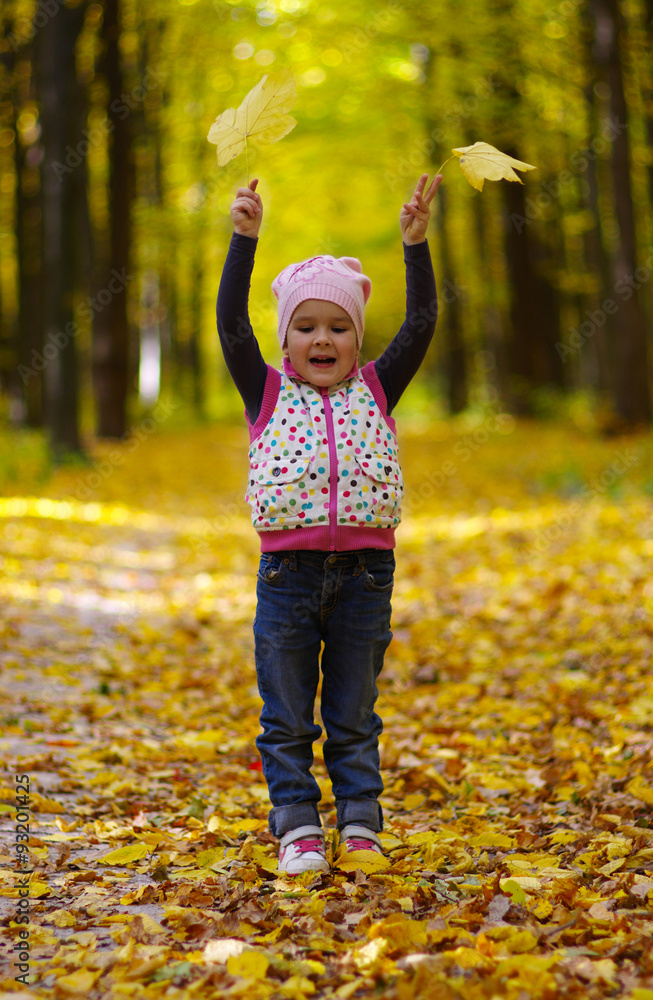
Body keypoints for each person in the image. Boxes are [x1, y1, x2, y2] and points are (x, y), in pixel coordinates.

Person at [217, 173, 442, 874]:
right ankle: (295, 826)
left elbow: (421, 324)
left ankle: (360, 822)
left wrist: (414, 248)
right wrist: (243, 240)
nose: (324, 339)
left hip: (365, 578)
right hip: (288, 577)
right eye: (307, 327)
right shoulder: (267, 391)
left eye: (338, 327)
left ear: (355, 338)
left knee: (353, 711)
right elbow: (229, 324)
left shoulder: (376, 386)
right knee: (286, 714)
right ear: (286, 342)